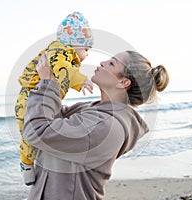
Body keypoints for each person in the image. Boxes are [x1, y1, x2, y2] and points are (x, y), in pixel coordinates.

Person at [22, 50, 169, 199]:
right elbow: (47, 116)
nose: (102, 63)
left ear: (123, 82)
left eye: (111, 63)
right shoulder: (92, 109)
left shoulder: (105, 125)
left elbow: (37, 131)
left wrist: (47, 83)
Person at [15, 11, 94, 185]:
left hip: (38, 96)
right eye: (86, 49)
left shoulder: (64, 53)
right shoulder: (59, 49)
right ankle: (26, 164)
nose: (87, 54)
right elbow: (62, 69)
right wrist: (81, 80)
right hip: (29, 97)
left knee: (37, 131)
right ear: (75, 44)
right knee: (30, 133)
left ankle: (33, 163)